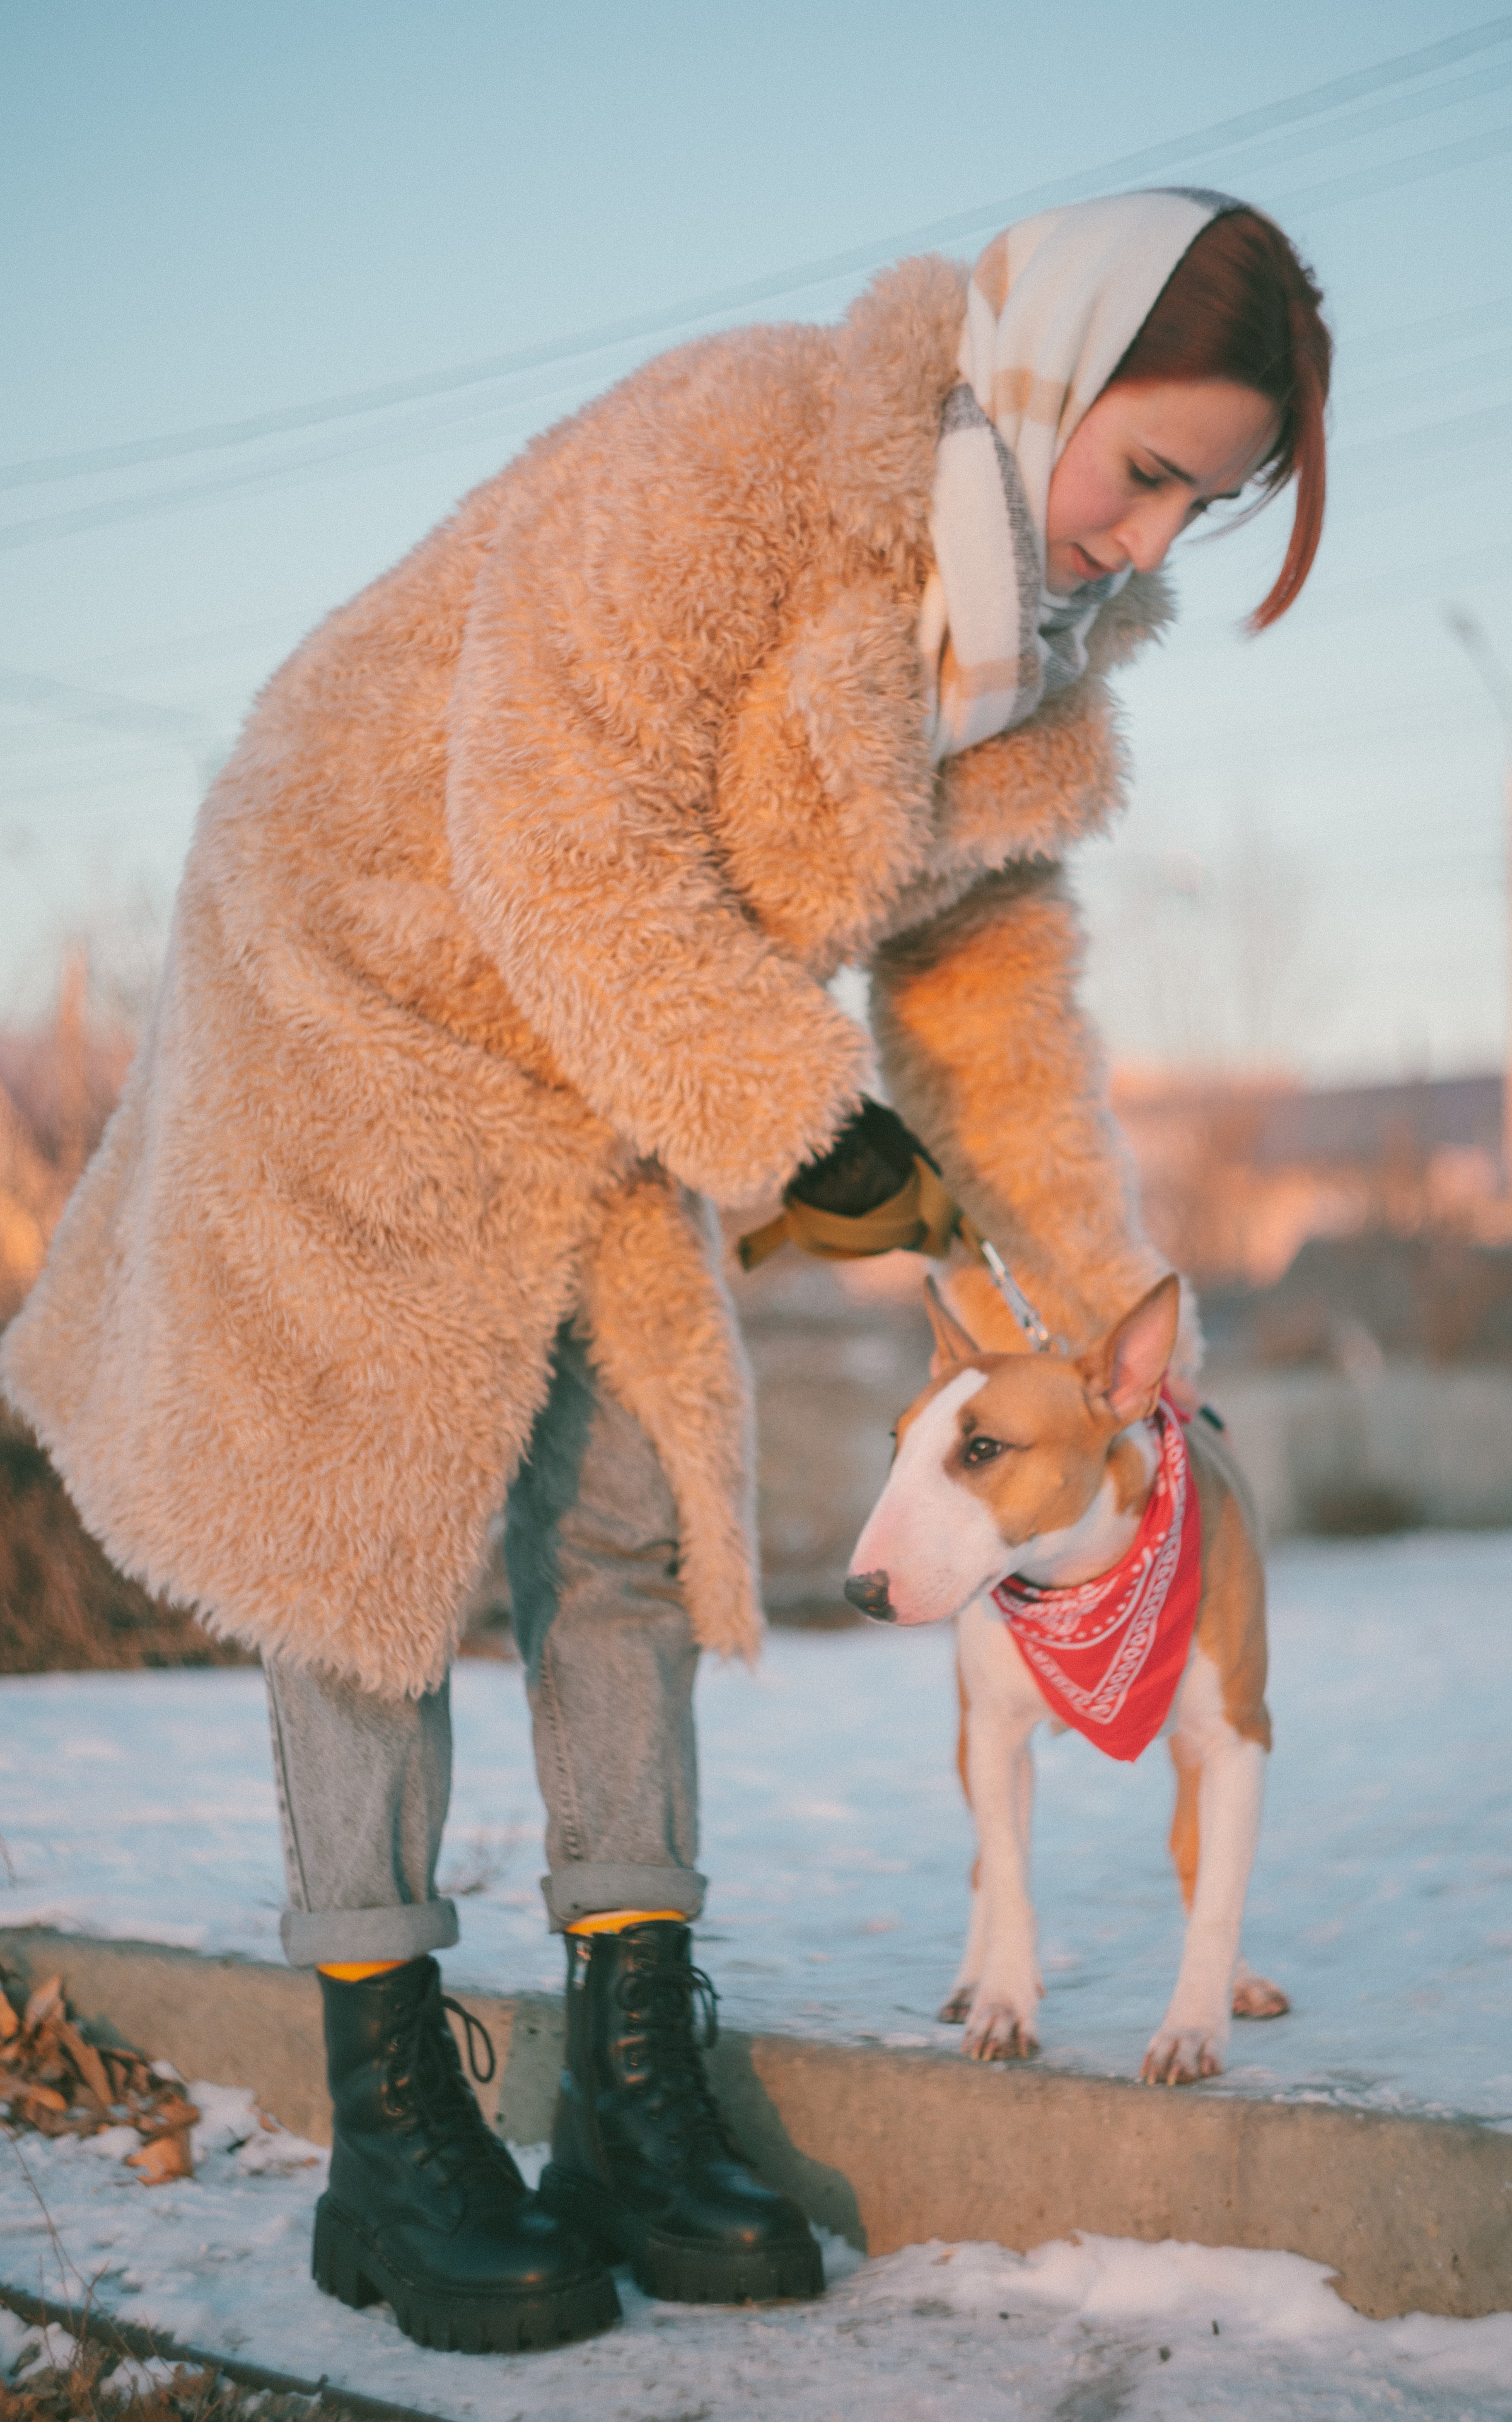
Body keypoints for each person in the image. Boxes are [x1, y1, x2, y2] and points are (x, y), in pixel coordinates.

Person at [2, 189, 1330, 2356]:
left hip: (628, 1045)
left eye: (1214, 499)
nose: (1157, 543)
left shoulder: (1017, 665)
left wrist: (1115, 1320)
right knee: (365, 1544)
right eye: (1151, 471)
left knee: (622, 1523)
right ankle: (392, 2117)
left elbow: (984, 997)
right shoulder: (729, 456)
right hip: (368, 962)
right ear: (1046, 375)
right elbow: (559, 844)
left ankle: (629, 2088)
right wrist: (812, 1127)